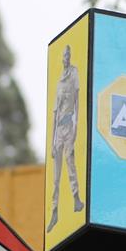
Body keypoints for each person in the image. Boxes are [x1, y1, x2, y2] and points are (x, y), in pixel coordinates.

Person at [47, 44, 83, 231]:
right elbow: (54, 113)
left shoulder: (74, 74)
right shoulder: (59, 83)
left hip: (69, 126)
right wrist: (52, 142)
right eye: (64, 56)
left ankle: (76, 199)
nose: (65, 59)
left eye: (67, 55)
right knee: (56, 175)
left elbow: (77, 101)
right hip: (59, 131)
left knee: (70, 163)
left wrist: (76, 125)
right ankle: (54, 212)